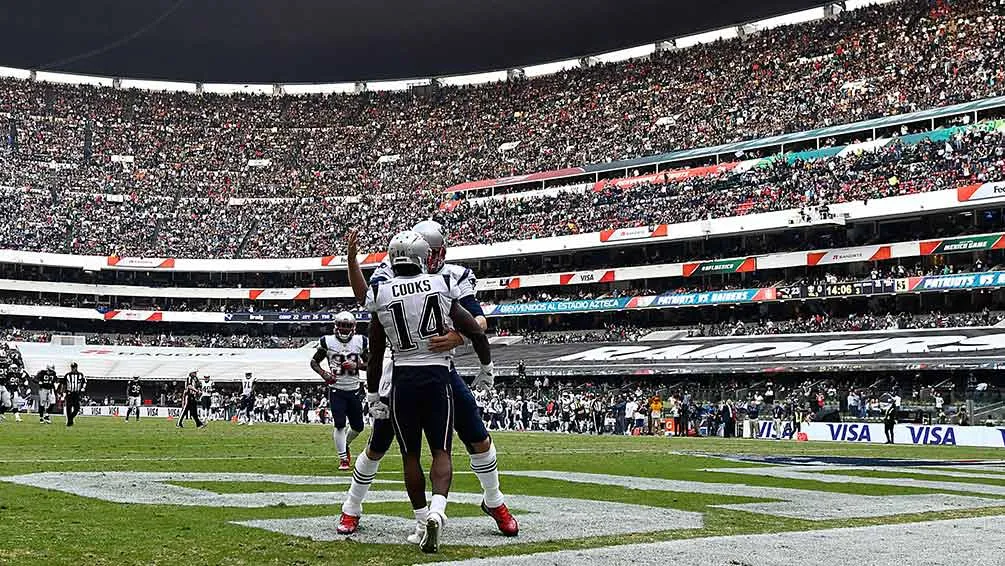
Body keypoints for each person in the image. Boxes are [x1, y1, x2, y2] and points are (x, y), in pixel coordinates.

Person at [337, 225, 518, 539]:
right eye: (428, 252)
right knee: (379, 443)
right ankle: (352, 507)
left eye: (436, 252)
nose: (432, 257)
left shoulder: (453, 275)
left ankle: (494, 501)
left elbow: (479, 321)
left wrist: (457, 336)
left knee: (478, 437)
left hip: (440, 368)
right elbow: (372, 311)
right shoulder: (392, 272)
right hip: (402, 368)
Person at [311, 311, 368, 471]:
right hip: (336, 389)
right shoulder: (327, 341)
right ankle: (343, 459)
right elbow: (314, 362)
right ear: (336, 326)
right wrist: (324, 374)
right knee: (340, 425)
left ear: (354, 327)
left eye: (347, 326)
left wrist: (357, 366)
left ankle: (346, 445)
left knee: (358, 427)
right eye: (342, 325)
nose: (344, 329)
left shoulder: (360, 341)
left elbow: (371, 363)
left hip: (355, 388)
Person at [60, 362, 87, 427]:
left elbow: (85, 382)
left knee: (77, 408)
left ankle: (71, 418)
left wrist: (83, 388)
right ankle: (69, 422)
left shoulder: (81, 375)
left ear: (76, 367)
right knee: (68, 407)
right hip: (69, 393)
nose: (73, 369)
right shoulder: (67, 375)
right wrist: (62, 392)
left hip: (76, 393)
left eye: (74, 367)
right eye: (72, 367)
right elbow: (64, 384)